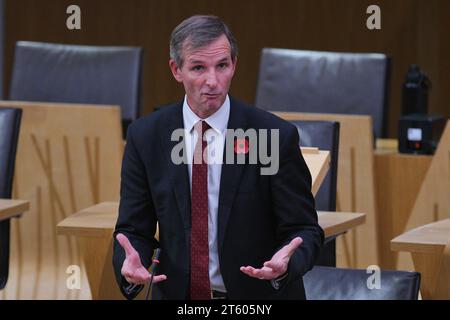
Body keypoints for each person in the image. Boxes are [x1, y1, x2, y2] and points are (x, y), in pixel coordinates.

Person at [112, 15, 323, 300]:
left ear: (233, 65)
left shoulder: (272, 136)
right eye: (198, 67)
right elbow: (133, 229)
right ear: (176, 70)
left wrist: (287, 264)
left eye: (221, 65)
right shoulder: (146, 137)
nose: (213, 81)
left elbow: (304, 229)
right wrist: (129, 264)